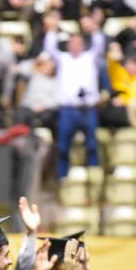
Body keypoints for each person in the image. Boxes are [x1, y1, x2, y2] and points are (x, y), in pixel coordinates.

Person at [43, 12, 104, 179]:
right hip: (68, 110)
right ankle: (62, 177)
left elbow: (99, 44)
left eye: (78, 43)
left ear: (83, 45)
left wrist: (94, 28)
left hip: (88, 109)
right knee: (63, 146)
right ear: (68, 45)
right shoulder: (63, 59)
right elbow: (50, 48)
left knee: (92, 144)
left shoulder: (90, 58)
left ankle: (94, 175)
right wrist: (52, 30)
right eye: (72, 43)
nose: (75, 46)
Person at [17, 52, 58, 132]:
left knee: (48, 118)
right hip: (28, 108)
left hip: (45, 110)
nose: (48, 68)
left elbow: (55, 101)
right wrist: (37, 61)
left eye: (50, 66)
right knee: (20, 118)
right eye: (46, 65)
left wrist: (43, 106)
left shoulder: (54, 82)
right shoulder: (34, 75)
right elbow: (22, 67)